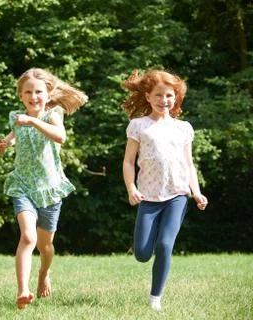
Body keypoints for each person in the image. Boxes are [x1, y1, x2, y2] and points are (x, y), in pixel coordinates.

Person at [0, 68, 88, 309]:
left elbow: (60, 137)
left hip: (49, 189)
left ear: (47, 94)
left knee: (45, 246)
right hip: (23, 185)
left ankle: (44, 272)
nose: (33, 96)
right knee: (27, 237)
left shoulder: (52, 115)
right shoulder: (17, 117)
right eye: (28, 92)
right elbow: (15, 134)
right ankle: (23, 291)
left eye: (38, 92)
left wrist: (33, 121)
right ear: (20, 95)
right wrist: (5, 144)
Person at [121, 69, 208, 311]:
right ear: (148, 96)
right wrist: (131, 188)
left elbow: (189, 164)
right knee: (141, 253)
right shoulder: (138, 126)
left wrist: (196, 192)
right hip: (148, 196)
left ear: (176, 97)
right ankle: (146, 264)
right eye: (158, 95)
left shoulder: (184, 128)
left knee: (165, 245)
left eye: (169, 95)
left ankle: (155, 299)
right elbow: (128, 162)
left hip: (177, 195)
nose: (164, 100)